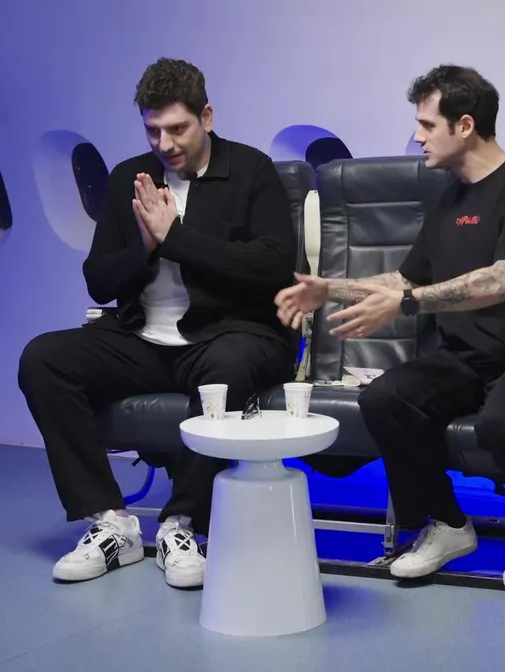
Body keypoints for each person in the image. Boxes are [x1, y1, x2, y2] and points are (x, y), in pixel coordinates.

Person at [274, 64, 505, 591]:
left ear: (464, 125)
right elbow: (405, 278)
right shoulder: (450, 199)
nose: (419, 136)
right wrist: (327, 288)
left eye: (427, 125)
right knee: (385, 400)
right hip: (468, 357)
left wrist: (406, 302)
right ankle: (447, 524)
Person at [19, 58, 298, 586]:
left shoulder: (251, 170)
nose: (165, 143)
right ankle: (112, 522)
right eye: (153, 130)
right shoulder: (129, 177)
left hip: (230, 334)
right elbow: (99, 280)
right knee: (44, 358)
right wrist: (146, 246)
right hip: (142, 338)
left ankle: (180, 524)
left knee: (228, 366)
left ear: (206, 117)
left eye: (177, 128)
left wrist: (177, 238)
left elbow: (272, 266)